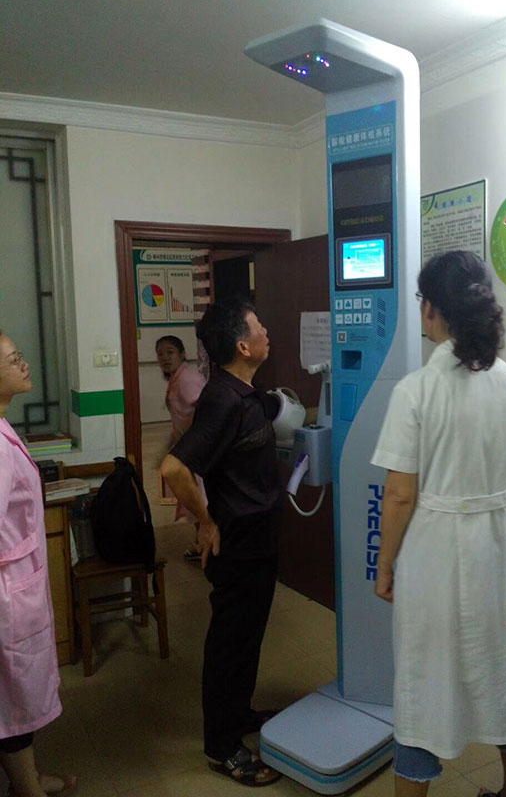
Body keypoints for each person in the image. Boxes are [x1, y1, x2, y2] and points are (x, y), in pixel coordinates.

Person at [371, 251, 506, 797]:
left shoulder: (416, 391)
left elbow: (399, 495)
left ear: (432, 308)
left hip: (437, 557)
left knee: (425, 686)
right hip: (501, 551)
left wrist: (385, 566)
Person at [160, 299, 282, 788]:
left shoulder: (244, 394)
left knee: (247, 637)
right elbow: (174, 468)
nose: (266, 331)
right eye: (259, 326)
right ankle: (222, 747)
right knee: (230, 644)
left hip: (259, 540)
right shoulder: (222, 400)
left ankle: (238, 713)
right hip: (238, 544)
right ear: (242, 346)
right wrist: (207, 521)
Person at [0, 333, 77, 797]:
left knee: (13, 700)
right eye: (14, 360)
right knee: (12, 703)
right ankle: (28, 789)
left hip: (16, 586)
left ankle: (28, 780)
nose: (24, 364)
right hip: (7, 597)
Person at [155, 335, 207, 560]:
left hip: (199, 449)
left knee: (200, 500)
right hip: (190, 448)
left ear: (182, 354)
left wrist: (189, 441)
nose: (165, 358)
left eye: (170, 352)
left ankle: (206, 545)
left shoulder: (187, 378)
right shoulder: (179, 377)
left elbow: (203, 410)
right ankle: (202, 543)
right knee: (195, 499)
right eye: (160, 354)